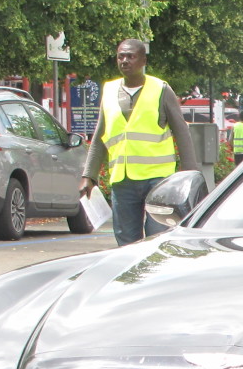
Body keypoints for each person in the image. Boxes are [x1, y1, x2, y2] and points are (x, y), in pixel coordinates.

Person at [80, 39, 198, 246]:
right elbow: (100, 136)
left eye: (131, 56)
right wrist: (88, 176)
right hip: (123, 180)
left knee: (157, 238)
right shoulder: (109, 90)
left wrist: (188, 177)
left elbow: (181, 132)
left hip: (158, 179)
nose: (125, 61)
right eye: (120, 56)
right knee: (126, 241)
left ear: (143, 60)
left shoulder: (161, 89)